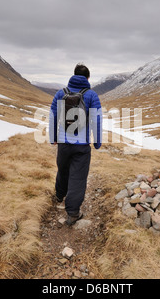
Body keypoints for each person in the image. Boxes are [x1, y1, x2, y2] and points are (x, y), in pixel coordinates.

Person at [49, 63, 103, 226]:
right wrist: (97, 141)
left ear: (73, 75)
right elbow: (97, 119)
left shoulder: (61, 93)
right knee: (78, 177)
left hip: (64, 143)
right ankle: (72, 213)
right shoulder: (91, 95)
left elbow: (53, 115)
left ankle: (59, 195)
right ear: (87, 78)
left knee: (63, 170)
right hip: (82, 145)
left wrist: (53, 137)